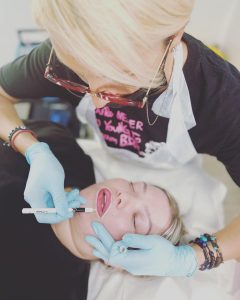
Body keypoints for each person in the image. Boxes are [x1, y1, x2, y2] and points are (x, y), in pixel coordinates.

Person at [0, 0, 239, 277]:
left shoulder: (223, 101)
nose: (98, 105)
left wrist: (192, 258)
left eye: (117, 81)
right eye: (82, 79)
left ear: (172, 36)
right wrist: (31, 147)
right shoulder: (64, 57)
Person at [0, 120, 184, 300]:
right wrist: (30, 147)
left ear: (124, 259)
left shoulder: (52, 291)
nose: (125, 197)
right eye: (133, 186)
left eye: (136, 219)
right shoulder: (63, 147)